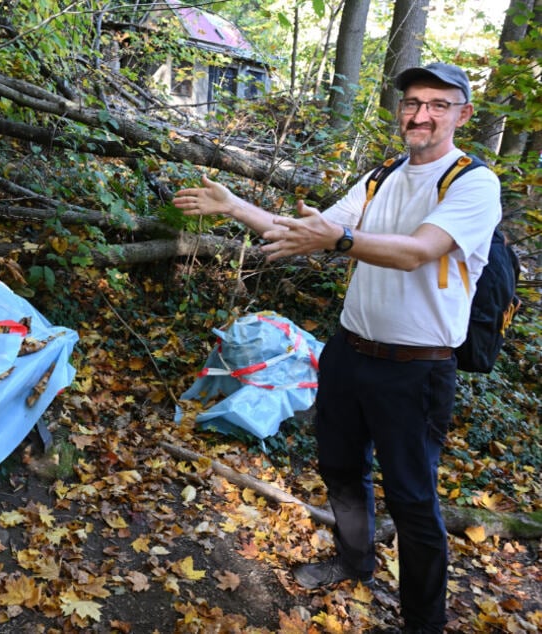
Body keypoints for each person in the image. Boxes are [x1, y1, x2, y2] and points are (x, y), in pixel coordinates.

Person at [172, 63, 500, 633]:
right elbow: (309, 231)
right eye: (412, 102)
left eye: (438, 105)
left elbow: (417, 251)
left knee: (413, 497)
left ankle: (424, 622)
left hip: (415, 370)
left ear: (463, 114)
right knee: (341, 468)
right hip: (347, 353)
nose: (420, 114)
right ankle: (355, 563)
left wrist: (343, 240)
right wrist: (235, 207)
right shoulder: (381, 177)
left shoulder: (472, 182)